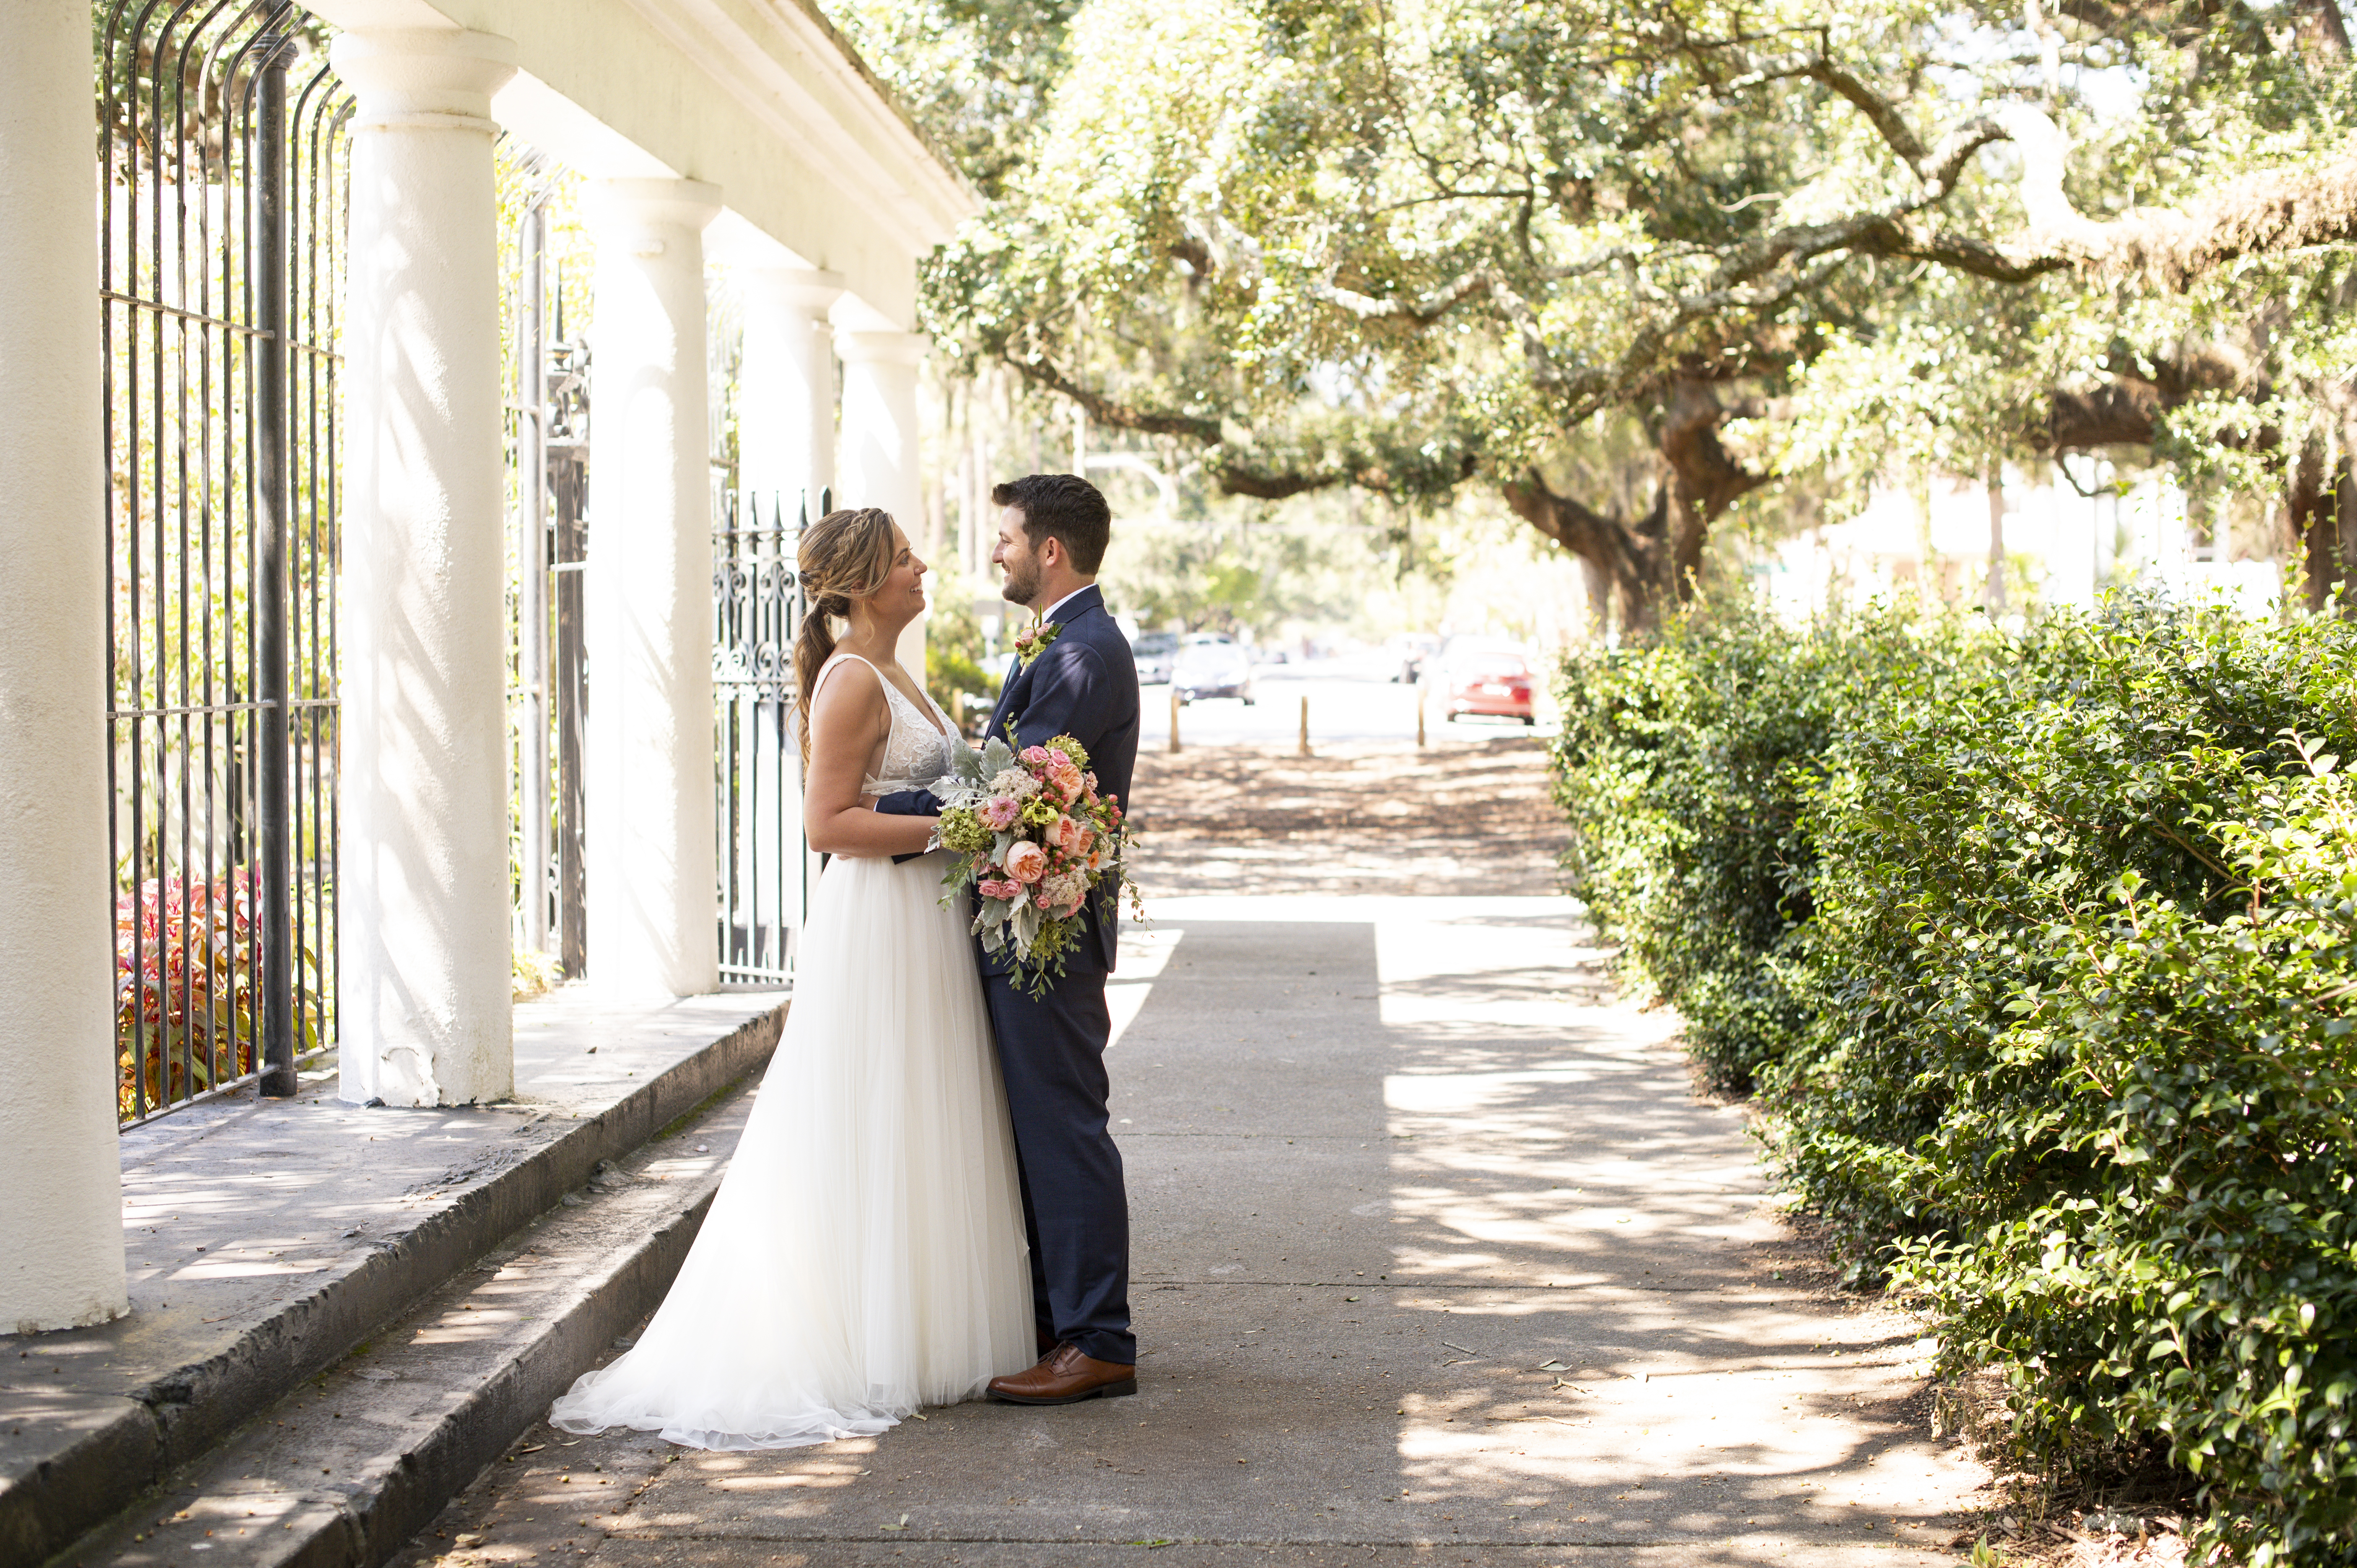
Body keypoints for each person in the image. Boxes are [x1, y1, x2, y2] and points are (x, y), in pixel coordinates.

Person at [546, 508, 1032, 1449]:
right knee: (869, 1109)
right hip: (878, 922)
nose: (922, 565)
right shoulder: (852, 680)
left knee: (918, 1110)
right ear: (860, 583)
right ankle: (858, 1339)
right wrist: (957, 829)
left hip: (919, 920)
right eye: (903, 557)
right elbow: (827, 825)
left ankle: (918, 1328)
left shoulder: (898, 673)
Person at [873, 472, 1142, 1405]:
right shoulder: (1069, 640)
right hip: (1031, 928)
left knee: (1063, 1128)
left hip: (1048, 935)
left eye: (1006, 536)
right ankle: (1054, 1320)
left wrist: (875, 812)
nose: (995, 550)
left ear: (1050, 551)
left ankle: (1097, 1336)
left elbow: (1014, 792)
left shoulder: (1080, 653)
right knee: (1038, 1131)